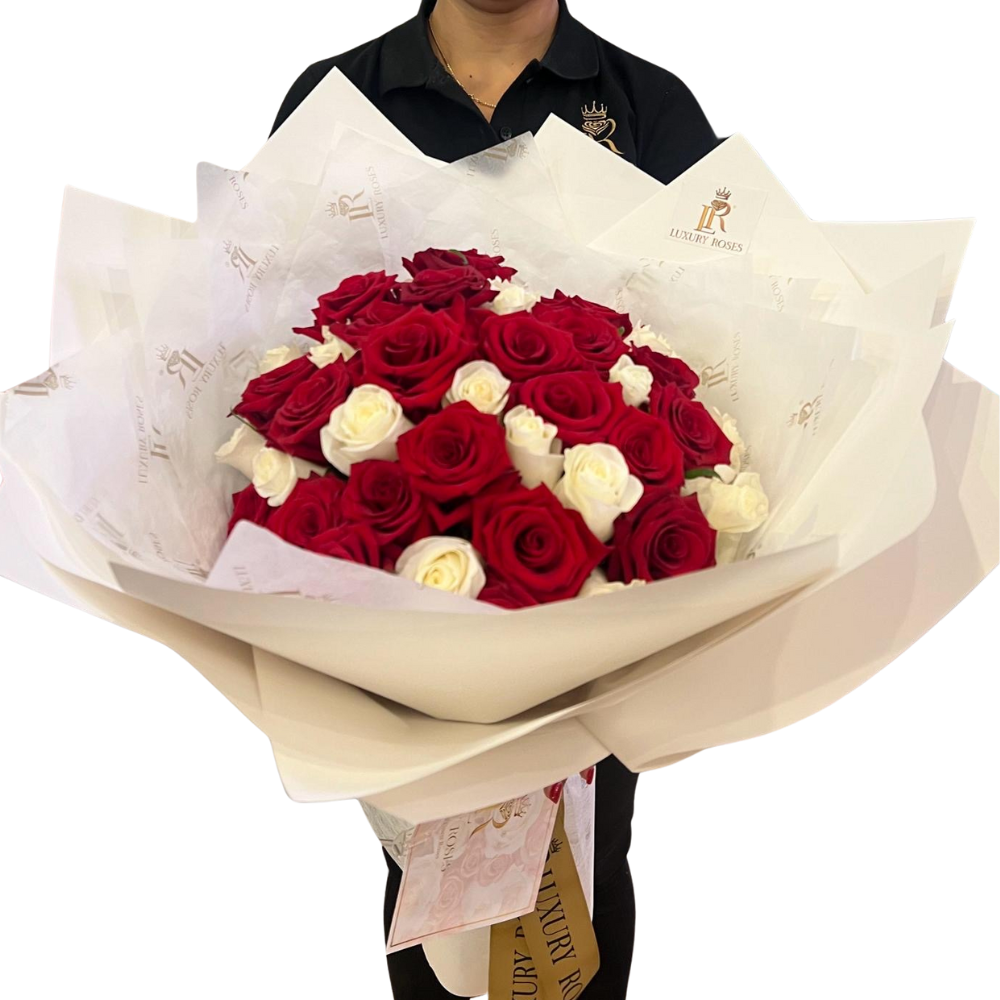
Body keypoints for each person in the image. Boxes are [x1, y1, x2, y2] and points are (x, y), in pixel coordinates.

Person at [271, 2, 720, 996]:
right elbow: (272, 330)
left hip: (601, 595)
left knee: (594, 848)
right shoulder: (337, 102)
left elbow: (720, 347)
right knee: (418, 861)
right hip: (392, 581)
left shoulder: (649, 110)